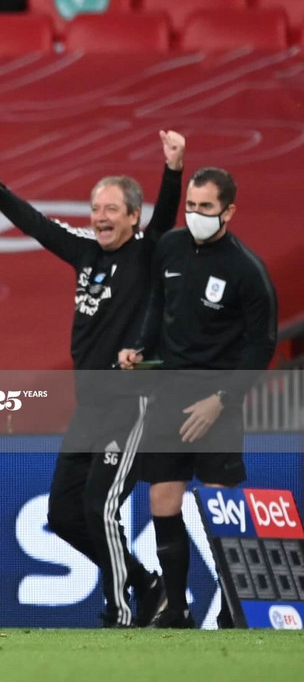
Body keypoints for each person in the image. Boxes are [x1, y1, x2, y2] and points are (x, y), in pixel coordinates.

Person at [0, 130, 185, 627]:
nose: (100, 217)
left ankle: (121, 613)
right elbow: (37, 225)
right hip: (90, 408)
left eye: (111, 209)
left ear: (132, 216)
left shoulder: (147, 253)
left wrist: (173, 169)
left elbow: (166, 217)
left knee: (100, 505)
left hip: (132, 404)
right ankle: (147, 585)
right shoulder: (85, 251)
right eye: (95, 207)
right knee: (64, 514)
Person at [119, 167, 278, 628]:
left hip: (217, 405)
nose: (195, 215)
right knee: (163, 502)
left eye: (205, 208)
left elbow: (261, 345)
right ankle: (178, 610)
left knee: (220, 511)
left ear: (228, 210)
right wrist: (141, 349)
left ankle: (235, 610)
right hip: (169, 397)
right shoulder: (168, 247)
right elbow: (157, 304)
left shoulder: (246, 270)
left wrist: (222, 399)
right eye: (190, 206)